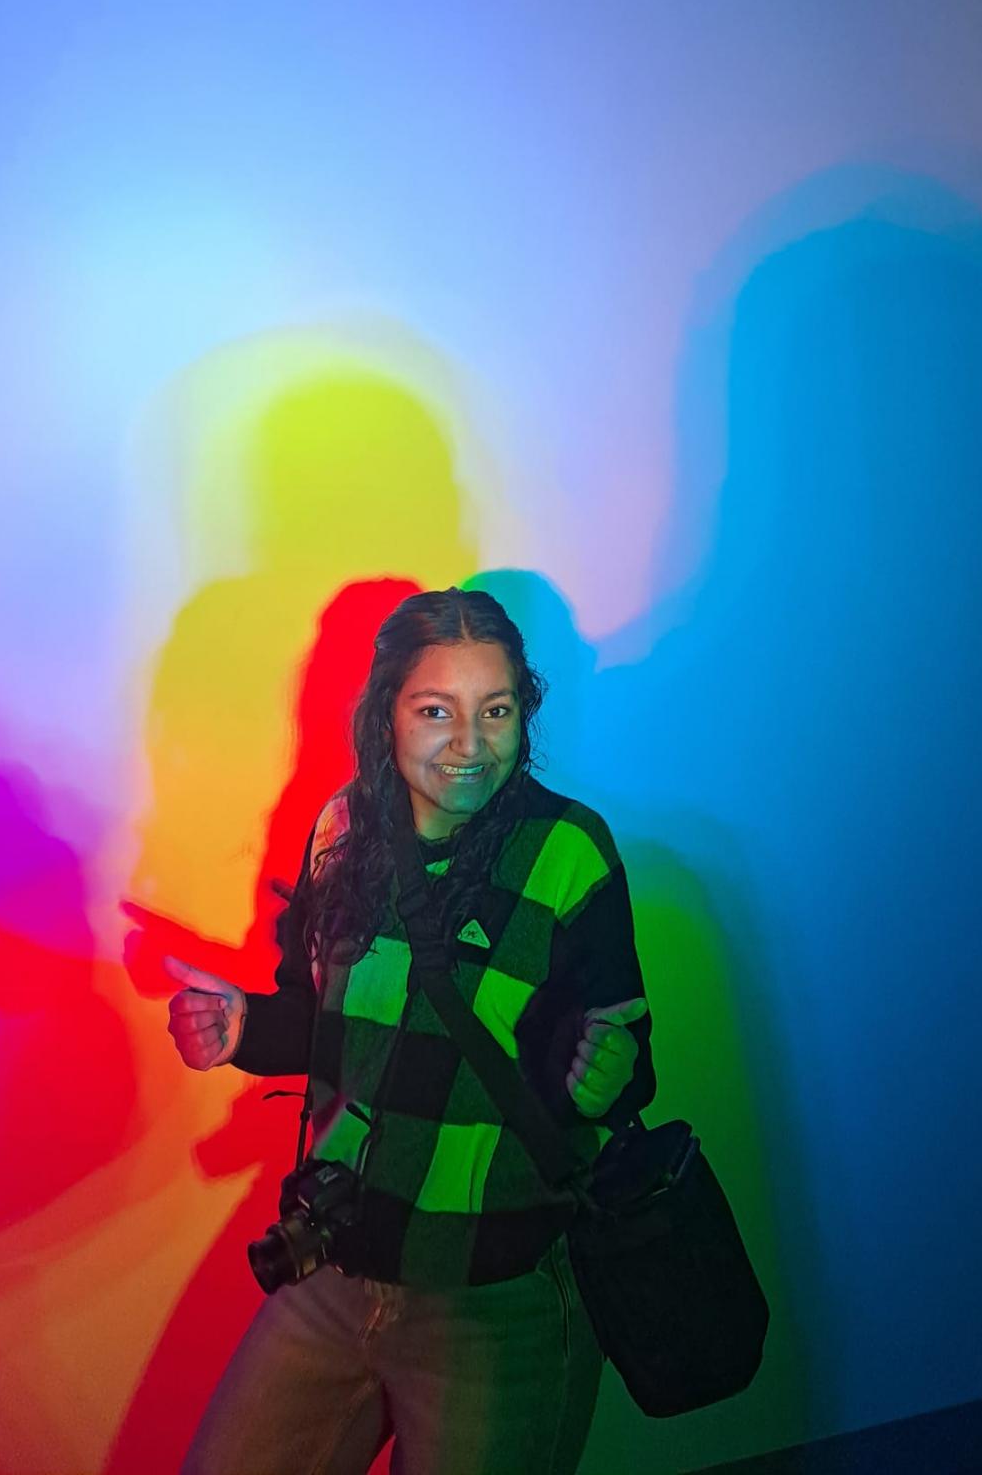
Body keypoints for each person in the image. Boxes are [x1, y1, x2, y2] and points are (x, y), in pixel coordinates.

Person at [166, 587, 654, 1475]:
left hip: (495, 1297)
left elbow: (623, 1067)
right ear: (386, 712)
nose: (470, 745)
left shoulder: (569, 854)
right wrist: (240, 1027)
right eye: (437, 711)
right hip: (336, 1265)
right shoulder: (341, 830)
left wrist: (603, 1076)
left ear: (523, 712)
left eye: (495, 711)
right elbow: (318, 1027)